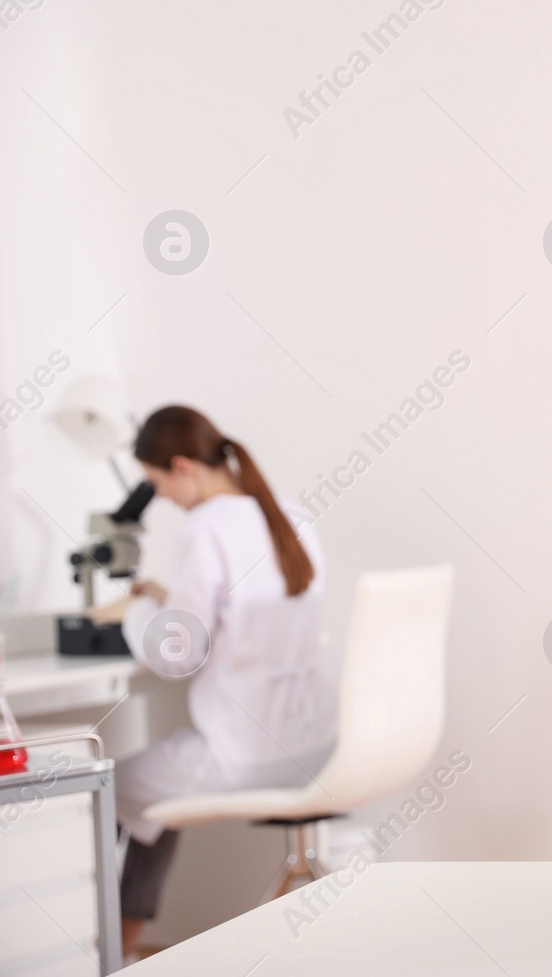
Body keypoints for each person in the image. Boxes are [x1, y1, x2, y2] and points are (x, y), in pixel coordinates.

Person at [94, 406, 337, 957]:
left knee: (107, 790)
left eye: (158, 486)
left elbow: (178, 656)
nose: (166, 501)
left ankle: (105, 954)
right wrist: (165, 599)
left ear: (183, 467)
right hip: (315, 745)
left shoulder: (206, 527)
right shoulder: (290, 514)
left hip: (243, 755)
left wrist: (134, 613)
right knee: (156, 789)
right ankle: (127, 950)